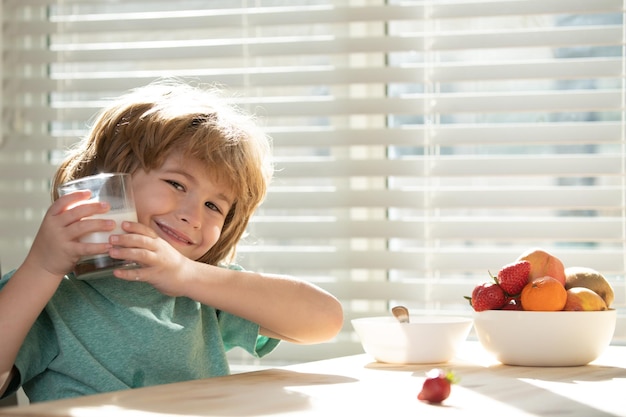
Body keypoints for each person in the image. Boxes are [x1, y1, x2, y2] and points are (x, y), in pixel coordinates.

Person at [0, 80, 343, 403]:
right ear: (107, 182)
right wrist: (41, 267)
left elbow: (325, 320)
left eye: (213, 206)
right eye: (177, 184)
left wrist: (188, 276)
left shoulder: (202, 290)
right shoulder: (49, 296)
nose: (193, 215)